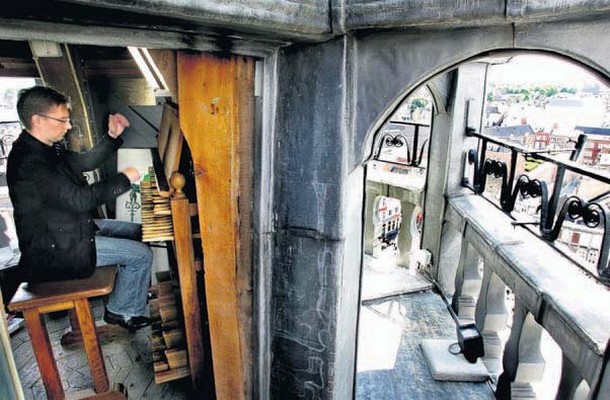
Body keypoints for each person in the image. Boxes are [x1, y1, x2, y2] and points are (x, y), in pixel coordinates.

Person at [7, 86, 152, 331]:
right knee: (141, 255)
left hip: (69, 230)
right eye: (62, 120)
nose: (69, 126)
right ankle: (121, 311)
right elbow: (81, 200)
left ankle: (130, 293)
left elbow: (84, 161)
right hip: (55, 252)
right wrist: (124, 179)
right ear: (37, 120)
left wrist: (112, 136)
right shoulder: (29, 163)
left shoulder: (47, 148)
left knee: (138, 231)